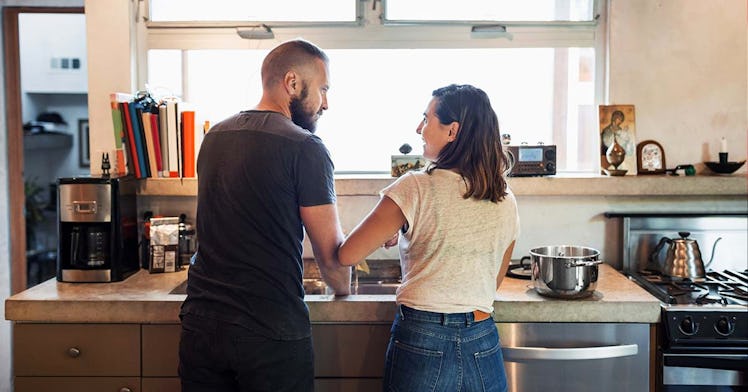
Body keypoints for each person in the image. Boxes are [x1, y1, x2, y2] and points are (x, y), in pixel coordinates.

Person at [178, 39, 351, 392]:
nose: (327, 103)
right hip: (268, 328)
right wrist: (344, 288)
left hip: (201, 325)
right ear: (292, 83)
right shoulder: (306, 147)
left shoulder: (215, 137)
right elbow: (330, 256)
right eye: (323, 89)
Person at [338, 84, 519, 392]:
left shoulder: (414, 187)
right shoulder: (504, 197)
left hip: (423, 337)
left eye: (426, 118)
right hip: (482, 337)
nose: (419, 128)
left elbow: (347, 255)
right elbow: (493, 278)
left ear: (453, 131)